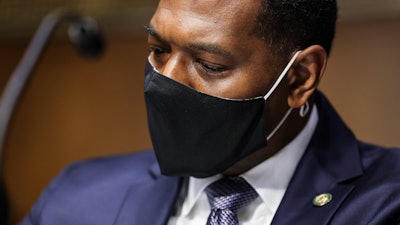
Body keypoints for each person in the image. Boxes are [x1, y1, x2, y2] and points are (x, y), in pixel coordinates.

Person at [20, 0, 400, 224]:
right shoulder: (75, 198)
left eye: (209, 65)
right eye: (158, 50)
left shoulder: (386, 203)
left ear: (300, 77)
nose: (166, 82)